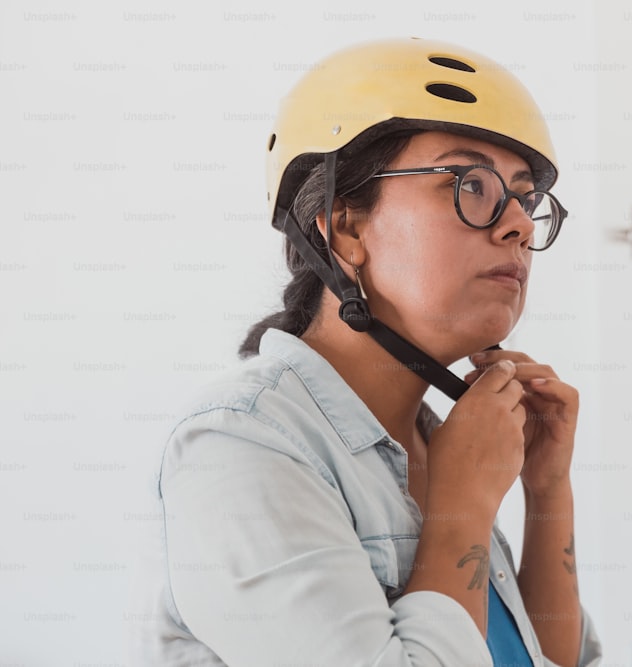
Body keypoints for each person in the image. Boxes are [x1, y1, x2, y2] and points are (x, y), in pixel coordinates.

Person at [138, 37, 601, 666]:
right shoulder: (241, 442)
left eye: (524, 197)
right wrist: (460, 507)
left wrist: (547, 492)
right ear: (346, 226)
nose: (518, 223)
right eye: (471, 185)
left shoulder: (445, 443)